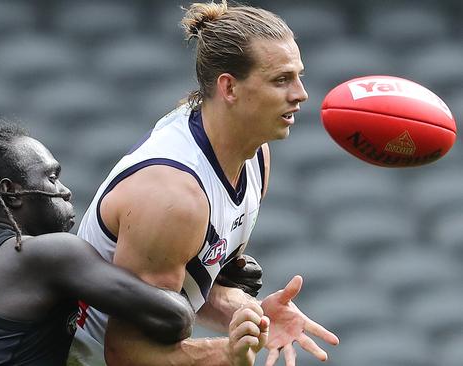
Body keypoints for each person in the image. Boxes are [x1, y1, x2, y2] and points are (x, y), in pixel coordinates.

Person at [68, 1, 340, 366]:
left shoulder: (254, 156)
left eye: (299, 76)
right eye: (281, 80)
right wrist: (227, 353)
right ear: (228, 87)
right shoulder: (174, 197)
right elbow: (126, 353)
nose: (300, 93)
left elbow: (187, 289)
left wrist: (251, 313)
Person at [0, 123, 246, 365]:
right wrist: (209, 264)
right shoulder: (47, 255)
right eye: (52, 178)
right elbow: (173, 319)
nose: (65, 190)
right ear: (12, 193)